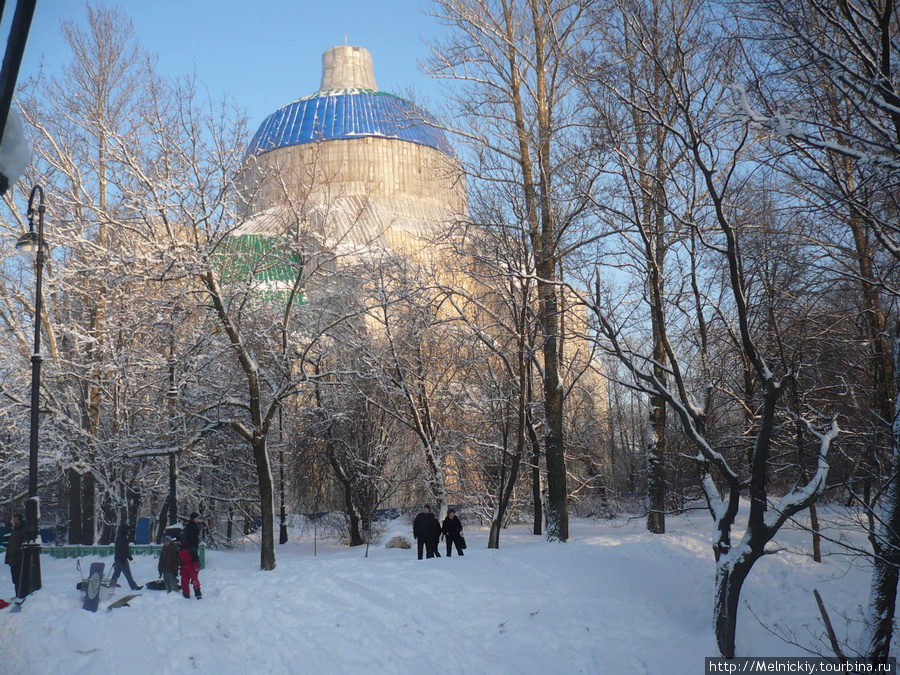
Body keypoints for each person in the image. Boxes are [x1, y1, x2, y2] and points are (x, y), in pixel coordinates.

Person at [110, 524, 143, 591]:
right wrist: (129, 557)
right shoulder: (123, 538)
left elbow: (119, 549)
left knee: (116, 573)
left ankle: (111, 585)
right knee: (128, 574)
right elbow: (124, 549)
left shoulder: (119, 537)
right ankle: (134, 587)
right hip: (122, 559)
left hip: (117, 558)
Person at [4, 514, 24, 597]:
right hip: (13, 560)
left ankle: (21, 595)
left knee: (19, 578)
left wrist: (20, 557)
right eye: (14, 520)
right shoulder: (14, 530)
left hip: (18, 560)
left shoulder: (22, 530)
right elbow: (11, 546)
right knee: (15, 578)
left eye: (16, 520)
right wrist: (8, 558)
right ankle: (17, 595)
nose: (14, 522)